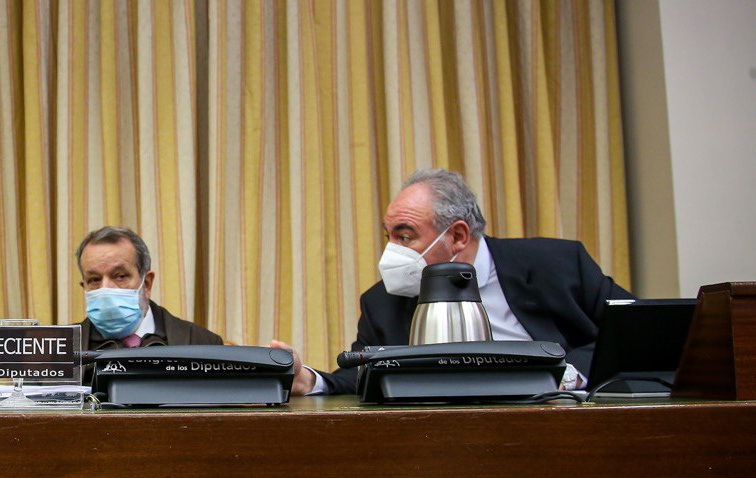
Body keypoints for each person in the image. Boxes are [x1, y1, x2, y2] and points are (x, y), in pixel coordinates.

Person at [295, 167, 633, 395]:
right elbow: (362, 375)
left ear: (457, 235)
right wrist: (309, 380)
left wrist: (569, 374)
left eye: (405, 236)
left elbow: (632, 329)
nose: (391, 251)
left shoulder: (555, 264)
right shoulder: (383, 301)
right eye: (389, 236)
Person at [76, 226, 223, 350]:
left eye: (120, 276)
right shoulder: (60, 350)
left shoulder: (202, 344)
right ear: (85, 287)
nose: (106, 288)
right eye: (94, 279)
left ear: (146, 283)